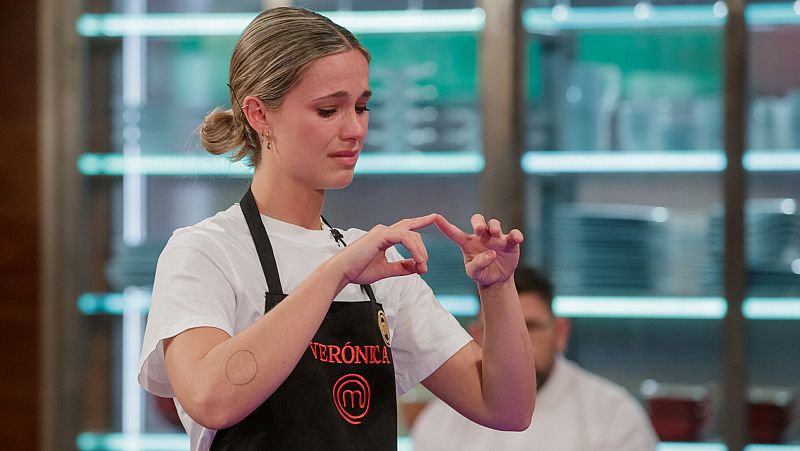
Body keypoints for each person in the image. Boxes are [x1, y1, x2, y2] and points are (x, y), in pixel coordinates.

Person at [137, 7, 535, 451]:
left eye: (362, 106)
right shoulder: (206, 252)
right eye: (328, 110)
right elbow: (210, 398)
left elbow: (506, 409)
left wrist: (498, 290)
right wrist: (334, 273)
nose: (355, 129)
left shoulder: (375, 265)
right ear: (258, 114)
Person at [411, 266, 658, 451]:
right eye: (499, 329)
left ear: (560, 333)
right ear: (476, 336)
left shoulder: (613, 413)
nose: (517, 345)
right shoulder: (440, 421)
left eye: (531, 327)